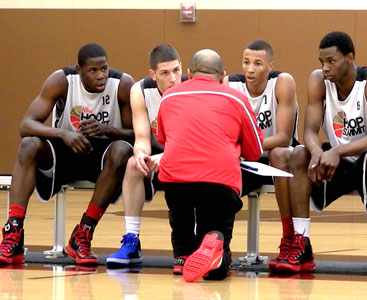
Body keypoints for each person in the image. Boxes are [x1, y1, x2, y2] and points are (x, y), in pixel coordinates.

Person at [0, 43, 134, 265]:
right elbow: (26, 125)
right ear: (79, 69)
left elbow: (137, 135)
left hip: (103, 157)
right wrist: (63, 134)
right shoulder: (61, 80)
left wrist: (108, 130)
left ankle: (83, 233)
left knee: (123, 150)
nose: (101, 75)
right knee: (29, 144)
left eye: (104, 69)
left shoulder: (122, 85)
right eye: (93, 71)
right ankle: (13, 231)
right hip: (65, 149)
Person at [281, 31, 367, 276]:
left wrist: (336, 151)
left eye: (331, 61)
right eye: (322, 61)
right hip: (338, 158)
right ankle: (302, 243)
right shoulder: (317, 81)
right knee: (299, 154)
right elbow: (310, 132)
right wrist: (317, 153)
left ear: (350, 58)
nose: (325, 68)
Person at [157, 49, 264, 282]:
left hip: (175, 181)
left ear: (188, 73)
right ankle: (216, 247)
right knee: (217, 265)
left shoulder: (169, 96)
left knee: (180, 218)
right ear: (224, 76)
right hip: (219, 181)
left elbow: (163, 140)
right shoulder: (236, 98)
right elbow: (255, 151)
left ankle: (181, 257)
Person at [106, 45, 185, 268]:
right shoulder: (139, 90)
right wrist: (141, 154)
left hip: (185, 155)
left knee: (194, 170)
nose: (173, 78)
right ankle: (132, 241)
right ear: (152, 74)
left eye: (176, 70)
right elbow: (141, 136)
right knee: (133, 164)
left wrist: (168, 156)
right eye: (165, 73)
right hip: (157, 153)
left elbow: (192, 142)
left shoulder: (188, 88)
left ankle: (193, 242)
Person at [224, 39, 298, 270]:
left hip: (279, 159)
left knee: (278, 153)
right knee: (218, 172)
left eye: (257, 63)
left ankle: (289, 237)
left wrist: (247, 148)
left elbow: (284, 137)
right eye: (246, 62)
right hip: (246, 161)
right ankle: (220, 246)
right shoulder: (230, 85)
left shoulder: (282, 82)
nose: (250, 68)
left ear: (269, 66)